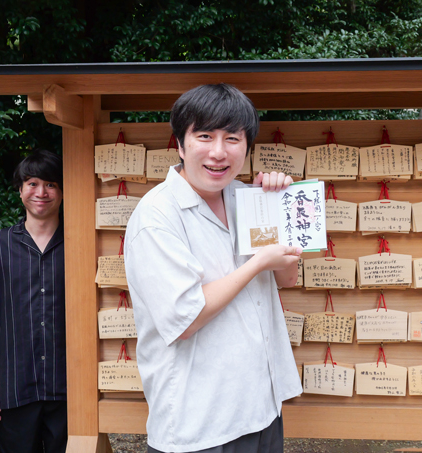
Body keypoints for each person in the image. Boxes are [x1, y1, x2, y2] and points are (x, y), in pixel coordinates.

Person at [125, 84, 303, 453]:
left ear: (247, 147)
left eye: (232, 138)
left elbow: (286, 278)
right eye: (204, 136)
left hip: (261, 406)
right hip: (201, 421)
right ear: (180, 143)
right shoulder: (156, 217)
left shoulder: (244, 198)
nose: (218, 152)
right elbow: (185, 319)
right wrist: (256, 265)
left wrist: (275, 207)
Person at [0, 150, 67, 453]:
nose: (41, 192)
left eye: (50, 184)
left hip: (70, 386)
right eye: (32, 183)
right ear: (20, 190)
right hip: (13, 383)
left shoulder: (81, 242)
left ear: (62, 191)